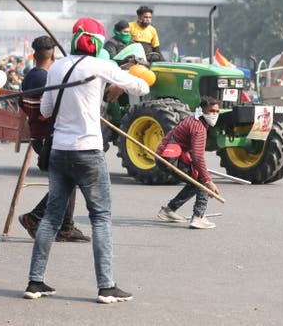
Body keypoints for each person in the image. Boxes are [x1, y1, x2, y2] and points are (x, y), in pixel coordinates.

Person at [24, 18, 149, 303]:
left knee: (51, 218)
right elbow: (140, 88)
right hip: (88, 151)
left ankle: (35, 282)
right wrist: (129, 76)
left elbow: (45, 109)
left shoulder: (56, 67)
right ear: (97, 42)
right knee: (101, 217)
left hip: (59, 151)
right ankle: (106, 287)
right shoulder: (101, 66)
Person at [17, 36, 90, 243]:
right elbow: (50, 110)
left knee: (69, 179)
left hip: (40, 135)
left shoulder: (30, 76)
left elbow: (24, 105)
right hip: (50, 138)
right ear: (53, 54)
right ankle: (37, 218)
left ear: (34, 54)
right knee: (69, 180)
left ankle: (64, 227)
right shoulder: (45, 78)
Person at [156, 96, 221, 229]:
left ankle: (169, 210)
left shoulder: (193, 119)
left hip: (166, 157)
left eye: (217, 112)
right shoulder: (199, 128)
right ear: (203, 111)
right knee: (201, 181)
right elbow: (198, 157)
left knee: (194, 181)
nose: (214, 114)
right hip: (169, 159)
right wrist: (208, 180)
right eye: (211, 111)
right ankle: (198, 217)